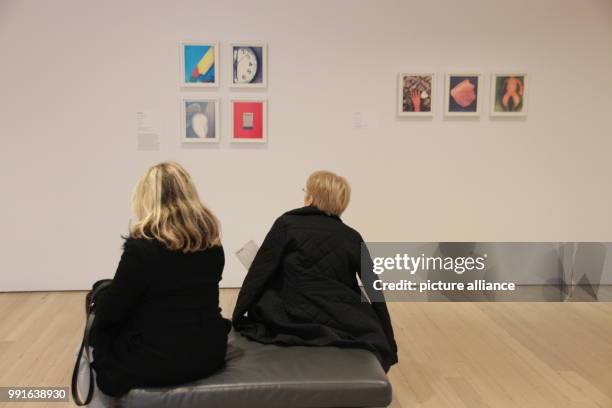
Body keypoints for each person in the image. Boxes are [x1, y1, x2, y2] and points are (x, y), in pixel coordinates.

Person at [232, 170, 398, 372]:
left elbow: (258, 273)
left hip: (287, 315)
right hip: (339, 316)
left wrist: (239, 315)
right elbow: (374, 288)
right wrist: (388, 340)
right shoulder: (351, 236)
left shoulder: (287, 224)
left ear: (310, 196)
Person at [90, 162, 230, 397]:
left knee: (103, 319)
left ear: (147, 198)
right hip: (209, 352)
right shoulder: (212, 245)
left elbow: (112, 311)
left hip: (159, 360)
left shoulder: (142, 249)